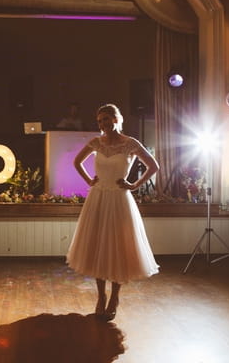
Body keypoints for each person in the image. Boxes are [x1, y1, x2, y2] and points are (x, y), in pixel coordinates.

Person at [66, 103, 159, 321]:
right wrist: (89, 180)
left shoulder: (130, 144)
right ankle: (100, 296)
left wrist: (134, 185)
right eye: (99, 121)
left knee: (118, 247)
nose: (103, 124)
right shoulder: (96, 142)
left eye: (106, 119)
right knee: (97, 246)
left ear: (116, 119)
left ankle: (114, 297)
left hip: (119, 199)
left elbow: (153, 166)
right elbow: (77, 161)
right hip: (98, 198)